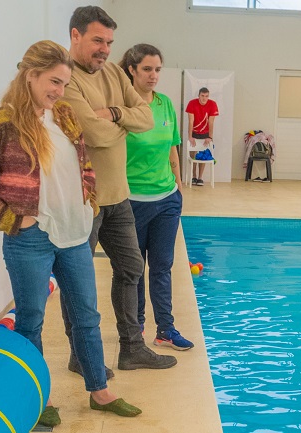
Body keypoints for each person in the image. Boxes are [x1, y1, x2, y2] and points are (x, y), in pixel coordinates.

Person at [0, 40, 141, 426]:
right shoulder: (0, 123)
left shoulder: (63, 116)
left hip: (74, 233)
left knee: (87, 316)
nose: (60, 91)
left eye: (64, 83)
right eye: (54, 82)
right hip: (30, 239)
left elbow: (84, 163)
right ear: (31, 76)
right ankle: (34, 399)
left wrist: (88, 199)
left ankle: (99, 390)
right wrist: (12, 220)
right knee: (30, 320)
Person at [62, 6, 177, 372]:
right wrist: (123, 122)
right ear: (76, 35)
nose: (105, 50)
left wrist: (113, 115)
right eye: (97, 40)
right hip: (85, 200)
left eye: (109, 42)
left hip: (118, 196)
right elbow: (91, 134)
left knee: (131, 268)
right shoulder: (66, 77)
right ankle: (80, 356)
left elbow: (145, 116)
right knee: (78, 283)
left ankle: (132, 348)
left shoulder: (112, 71)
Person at [118, 44, 193, 351]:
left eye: (158, 69)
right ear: (132, 70)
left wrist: (177, 184)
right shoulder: (121, 107)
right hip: (131, 202)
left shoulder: (165, 104)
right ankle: (135, 333)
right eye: (147, 69)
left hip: (166, 201)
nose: (153, 76)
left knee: (162, 268)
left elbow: (172, 146)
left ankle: (166, 329)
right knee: (134, 270)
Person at [185, 87, 218, 186]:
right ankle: (194, 176)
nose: (204, 98)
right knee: (193, 155)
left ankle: (200, 177)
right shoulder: (192, 103)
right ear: (199, 95)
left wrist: (210, 137)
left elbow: (211, 122)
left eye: (206, 96)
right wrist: (190, 136)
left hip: (205, 133)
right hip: (195, 131)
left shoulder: (212, 104)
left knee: (203, 155)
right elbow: (191, 121)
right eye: (202, 96)